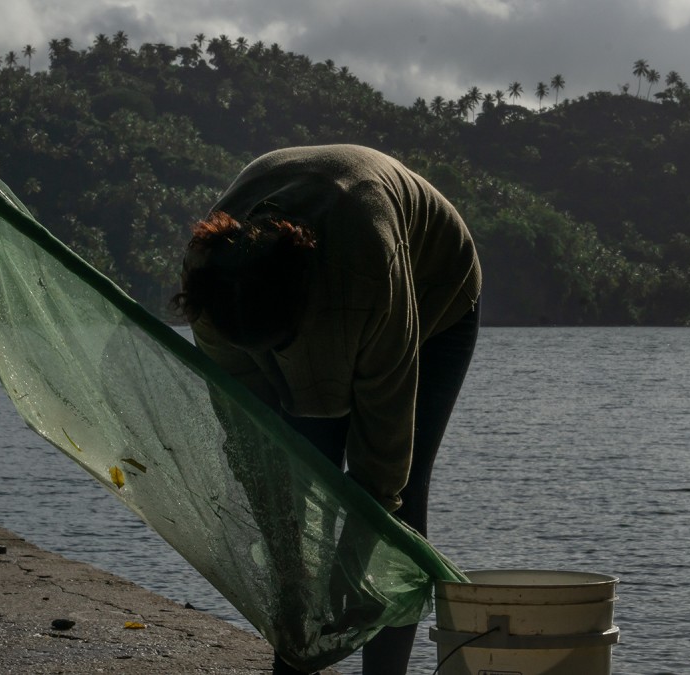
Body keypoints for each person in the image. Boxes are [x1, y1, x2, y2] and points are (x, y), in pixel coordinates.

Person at [174, 144, 481, 675]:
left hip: (434, 295)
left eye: (282, 348)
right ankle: (294, 665)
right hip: (305, 306)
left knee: (398, 508)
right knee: (289, 504)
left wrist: (355, 568)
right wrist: (282, 547)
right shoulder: (214, 286)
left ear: (305, 315)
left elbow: (382, 460)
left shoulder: (364, 273)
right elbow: (249, 435)